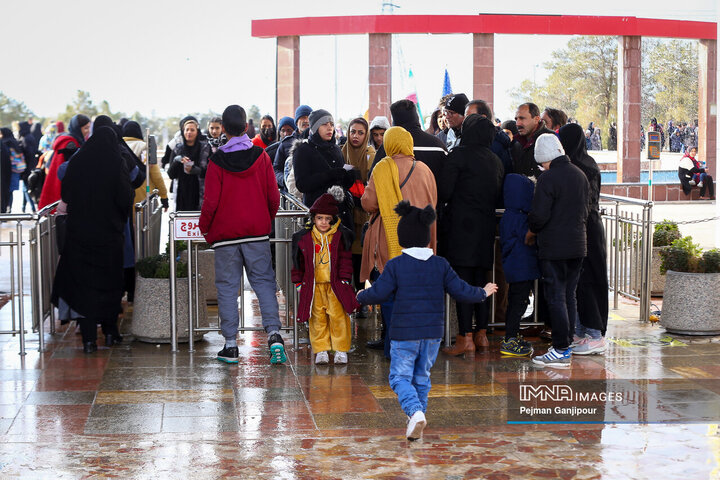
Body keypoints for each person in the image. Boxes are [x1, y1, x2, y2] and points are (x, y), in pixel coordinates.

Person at [357, 201, 497, 441]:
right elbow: (461, 291)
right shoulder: (440, 265)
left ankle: (414, 412)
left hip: (404, 334)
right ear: (425, 238)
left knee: (399, 377)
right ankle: (416, 421)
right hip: (432, 334)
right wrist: (482, 292)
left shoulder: (396, 265)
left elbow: (379, 293)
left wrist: (361, 295)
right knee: (421, 377)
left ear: (402, 237)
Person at [199, 105, 286, 365]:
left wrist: (206, 228)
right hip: (256, 234)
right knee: (264, 285)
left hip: (226, 237)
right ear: (247, 127)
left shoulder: (216, 161)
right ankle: (274, 335)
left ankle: (230, 346)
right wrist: (264, 220)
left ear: (223, 129)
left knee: (227, 290)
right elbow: (274, 196)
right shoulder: (261, 157)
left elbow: (210, 201)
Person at [51, 127, 134, 353]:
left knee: (85, 286)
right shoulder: (117, 164)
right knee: (110, 284)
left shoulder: (78, 164)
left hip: (80, 235)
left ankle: (88, 339)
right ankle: (110, 333)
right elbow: (125, 197)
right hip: (109, 235)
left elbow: (66, 194)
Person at [361, 126, 437, 357]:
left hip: (389, 238)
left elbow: (368, 203)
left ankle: (392, 348)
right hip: (421, 240)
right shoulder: (425, 169)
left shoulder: (383, 168)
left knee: (391, 294)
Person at [437, 115, 503, 354]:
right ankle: (482, 335)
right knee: (482, 282)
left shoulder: (458, 156)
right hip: (485, 228)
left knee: (463, 283)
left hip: (460, 229)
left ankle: (465, 338)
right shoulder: (495, 160)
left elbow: (444, 191)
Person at [528, 134, 589, 368]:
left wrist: (532, 229)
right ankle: (566, 344)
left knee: (555, 297)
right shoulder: (579, 174)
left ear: (544, 156)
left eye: (541, 161)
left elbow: (539, 216)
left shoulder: (548, 178)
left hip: (554, 247)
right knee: (569, 296)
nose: (541, 166)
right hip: (578, 245)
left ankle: (561, 348)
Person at [291, 187, 359, 365]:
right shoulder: (305, 238)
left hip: (335, 285)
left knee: (339, 318)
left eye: (327, 219)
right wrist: (298, 281)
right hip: (314, 286)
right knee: (317, 319)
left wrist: (345, 278)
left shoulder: (339, 237)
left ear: (333, 220)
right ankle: (320, 349)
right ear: (313, 218)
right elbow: (298, 262)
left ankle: (340, 349)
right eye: (319, 218)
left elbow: (345, 259)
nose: (323, 222)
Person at [559, 123, 609, 355]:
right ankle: (580, 331)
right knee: (578, 283)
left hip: (584, 228)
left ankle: (595, 334)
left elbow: (584, 202)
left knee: (588, 281)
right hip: (588, 226)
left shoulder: (577, 167)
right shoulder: (587, 162)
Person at [292, 109, 356, 226]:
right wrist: (329, 175)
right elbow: (302, 184)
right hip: (319, 217)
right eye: (324, 124)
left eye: (331, 124)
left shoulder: (336, 149)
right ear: (315, 128)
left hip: (340, 215)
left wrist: (348, 177)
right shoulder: (303, 150)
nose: (329, 128)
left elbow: (341, 182)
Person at [498, 174, 539, 357]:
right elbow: (528, 238)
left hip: (515, 267)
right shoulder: (520, 218)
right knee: (518, 303)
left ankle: (511, 336)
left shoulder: (509, 215)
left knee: (516, 301)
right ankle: (510, 339)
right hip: (522, 268)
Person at [371, 100, 447, 183]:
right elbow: (447, 182)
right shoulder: (438, 146)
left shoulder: (387, 147)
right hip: (432, 195)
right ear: (416, 117)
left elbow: (372, 178)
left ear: (395, 121)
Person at [341, 117, 376, 292]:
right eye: (352, 131)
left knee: (360, 259)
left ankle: (361, 298)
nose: (355, 136)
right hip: (344, 214)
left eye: (360, 133)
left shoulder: (371, 155)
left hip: (363, 214)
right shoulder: (340, 152)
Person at [38, 114, 91, 209]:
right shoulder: (71, 143)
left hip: (58, 185)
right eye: (85, 128)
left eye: (89, 128)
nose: (88, 131)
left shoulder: (69, 140)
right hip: (63, 188)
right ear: (77, 128)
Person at [123, 121, 169, 210]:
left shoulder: (119, 146)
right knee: (144, 222)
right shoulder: (145, 147)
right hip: (144, 197)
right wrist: (164, 196)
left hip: (124, 196)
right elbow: (156, 176)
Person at [167, 117, 211, 211]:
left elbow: (211, 173)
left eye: (192, 130)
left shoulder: (205, 148)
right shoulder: (177, 149)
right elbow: (171, 174)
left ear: (197, 132)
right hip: (181, 195)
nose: (189, 132)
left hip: (200, 194)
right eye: (187, 130)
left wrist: (197, 170)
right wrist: (177, 160)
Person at [465, 99, 513, 176]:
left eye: (468, 116)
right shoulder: (475, 139)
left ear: (482, 118)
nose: (465, 121)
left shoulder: (493, 144)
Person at [273, 105, 312, 191]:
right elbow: (276, 169)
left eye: (308, 117)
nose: (306, 120)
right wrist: (285, 180)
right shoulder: (286, 143)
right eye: (302, 117)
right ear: (296, 121)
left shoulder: (317, 141)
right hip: (292, 196)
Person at [512, 103, 554, 179]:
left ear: (536, 119)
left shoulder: (551, 139)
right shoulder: (516, 143)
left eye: (522, 118)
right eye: (516, 119)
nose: (517, 123)